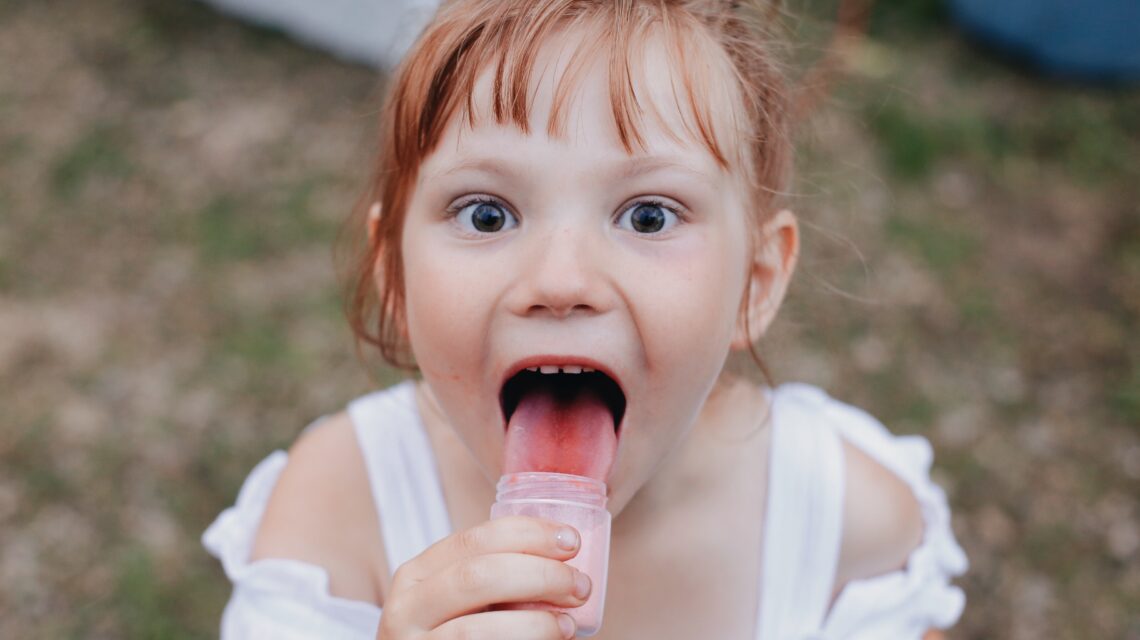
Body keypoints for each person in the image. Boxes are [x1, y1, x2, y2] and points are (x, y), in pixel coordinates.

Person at [203, 0, 968, 638]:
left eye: (647, 216)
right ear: (395, 275)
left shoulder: (851, 531)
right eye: (487, 212)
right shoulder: (336, 514)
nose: (560, 281)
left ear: (754, 283)